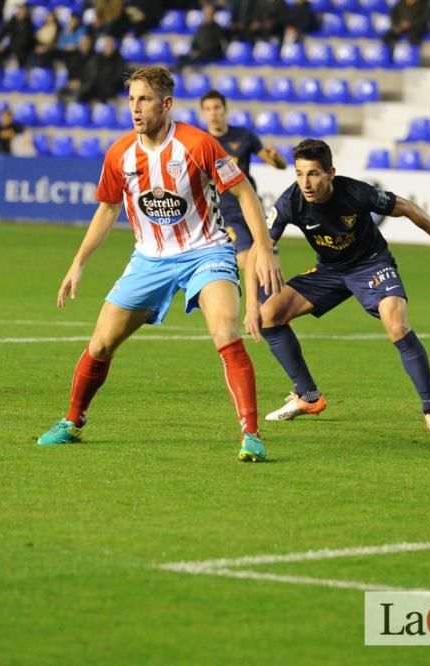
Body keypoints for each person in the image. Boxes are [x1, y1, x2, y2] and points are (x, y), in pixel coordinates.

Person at [37, 66, 285, 462]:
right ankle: (71, 422)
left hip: (206, 251)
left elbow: (244, 193)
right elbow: (107, 209)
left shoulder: (197, 144)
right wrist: (78, 262)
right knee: (100, 344)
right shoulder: (120, 153)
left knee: (224, 332)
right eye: (132, 99)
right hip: (149, 259)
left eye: (144, 100)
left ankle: (251, 435)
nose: (135, 108)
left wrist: (264, 249)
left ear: (166, 104)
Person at [256, 138, 430, 432]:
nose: (305, 182)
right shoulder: (290, 201)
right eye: (299, 173)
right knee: (268, 315)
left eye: (313, 173)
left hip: (371, 263)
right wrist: (261, 279)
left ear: (330, 173)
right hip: (329, 271)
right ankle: (308, 396)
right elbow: (264, 245)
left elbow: (406, 207)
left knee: (396, 325)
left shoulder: (355, 192)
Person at [198, 89, 286, 278]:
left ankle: (270, 305)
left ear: (224, 109)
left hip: (252, 206)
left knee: (270, 259)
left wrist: (277, 159)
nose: (213, 113)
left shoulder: (244, 135)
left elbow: (278, 165)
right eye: (208, 109)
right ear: (203, 113)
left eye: (216, 108)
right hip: (225, 211)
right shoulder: (200, 142)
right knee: (246, 258)